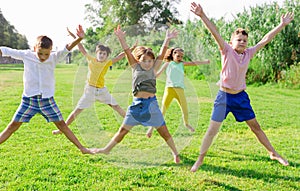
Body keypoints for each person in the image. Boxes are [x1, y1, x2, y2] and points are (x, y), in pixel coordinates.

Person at [189, 2, 293, 172]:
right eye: (239, 40)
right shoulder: (226, 50)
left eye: (245, 40)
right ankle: (200, 159)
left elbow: (265, 40)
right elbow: (214, 32)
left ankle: (273, 152)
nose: (243, 42)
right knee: (212, 130)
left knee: (256, 127)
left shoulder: (249, 53)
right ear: (231, 42)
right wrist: (202, 15)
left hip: (240, 97)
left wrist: (281, 25)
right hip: (224, 97)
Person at [92, 25, 181, 164]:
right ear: (138, 60)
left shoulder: (153, 68)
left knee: (164, 132)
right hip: (136, 105)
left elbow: (162, 53)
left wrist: (167, 39)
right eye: (144, 60)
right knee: (122, 130)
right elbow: (127, 51)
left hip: (151, 104)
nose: (147, 63)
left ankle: (175, 153)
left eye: (150, 60)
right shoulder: (135, 67)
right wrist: (122, 39)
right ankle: (107, 149)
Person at [0, 25, 94, 154]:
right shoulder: (27, 55)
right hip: (29, 100)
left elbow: (68, 47)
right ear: (34, 49)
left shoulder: (54, 57)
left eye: (46, 54)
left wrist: (79, 38)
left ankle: (82, 148)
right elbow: (6, 50)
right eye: (40, 53)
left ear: (51, 50)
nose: (43, 57)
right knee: (12, 126)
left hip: (47, 101)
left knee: (62, 125)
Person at [52, 28, 136, 135]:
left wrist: (131, 49)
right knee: (77, 110)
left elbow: (120, 56)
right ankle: (61, 130)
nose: (102, 55)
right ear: (96, 53)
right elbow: (81, 48)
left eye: (104, 54)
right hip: (90, 90)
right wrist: (75, 37)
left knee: (116, 106)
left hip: (102, 91)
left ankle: (130, 122)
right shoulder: (91, 59)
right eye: (100, 53)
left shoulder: (107, 63)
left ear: (107, 56)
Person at [146, 47, 210, 138]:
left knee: (185, 109)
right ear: (173, 54)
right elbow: (158, 74)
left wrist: (205, 62)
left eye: (181, 56)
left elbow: (194, 63)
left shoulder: (182, 64)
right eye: (178, 56)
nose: (180, 58)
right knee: (162, 110)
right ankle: (151, 129)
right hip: (169, 89)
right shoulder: (167, 64)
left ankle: (186, 124)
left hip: (180, 90)